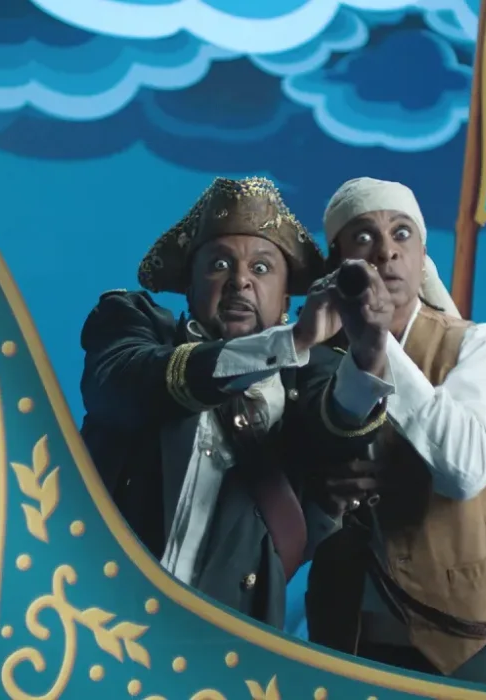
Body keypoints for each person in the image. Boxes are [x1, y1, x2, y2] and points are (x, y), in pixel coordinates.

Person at [79, 176, 394, 628]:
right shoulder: (132, 322)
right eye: (220, 264)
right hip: (96, 614)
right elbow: (123, 385)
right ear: (190, 284)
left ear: (286, 297)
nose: (240, 280)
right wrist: (293, 339)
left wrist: (370, 350)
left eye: (262, 268)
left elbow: (336, 429)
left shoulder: (312, 374)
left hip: (226, 642)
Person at [304, 177, 486, 690]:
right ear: (338, 263)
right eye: (364, 236)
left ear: (422, 256)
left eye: (402, 233)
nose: (386, 251)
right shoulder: (313, 360)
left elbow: (464, 470)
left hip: (471, 642)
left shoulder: (483, 348)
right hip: (350, 640)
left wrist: (377, 347)